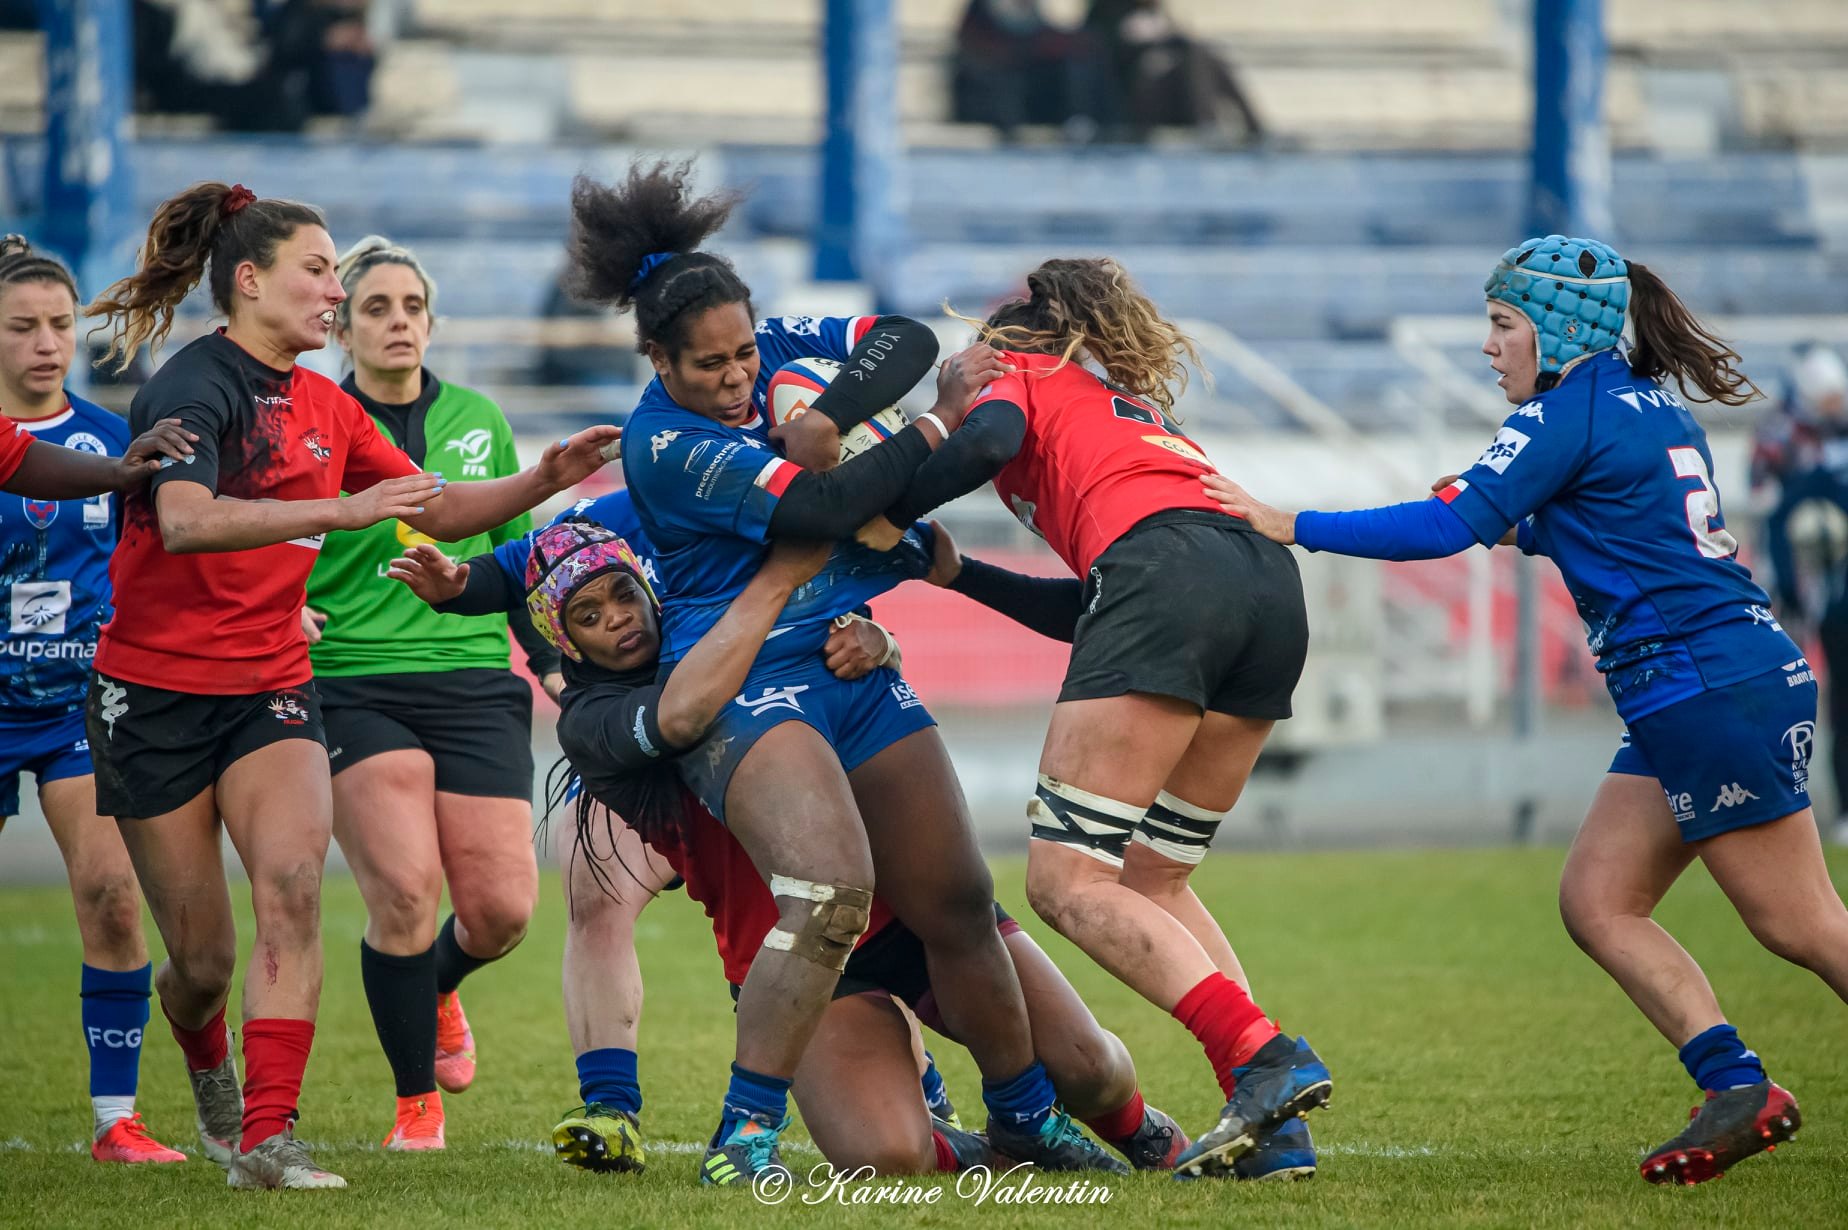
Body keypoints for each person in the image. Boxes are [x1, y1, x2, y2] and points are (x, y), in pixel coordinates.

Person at [1204, 234, 1848, 1186]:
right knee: (1598, 901)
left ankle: (1741, 1087)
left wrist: (1286, 521)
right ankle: (1737, 1087)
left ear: (1553, 331)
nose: (1487, 345)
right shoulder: (1642, 406)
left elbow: (1443, 529)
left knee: (1801, 925)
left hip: (1704, 684)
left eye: (1502, 325)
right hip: (1708, 683)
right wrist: (1509, 515)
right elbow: (1596, 522)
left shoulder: (1563, 414)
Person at [579, 160, 1120, 1182]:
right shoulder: (662, 443)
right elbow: (822, 513)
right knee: (831, 892)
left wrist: (833, 412)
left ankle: (1024, 1117)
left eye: (744, 352)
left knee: (959, 899)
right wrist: (933, 426)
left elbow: (903, 340)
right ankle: (742, 1139)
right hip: (751, 682)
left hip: (852, 658)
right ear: (657, 361)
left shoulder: (776, 349)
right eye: (709, 366)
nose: (738, 377)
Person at [78, 180, 618, 1191]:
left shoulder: (325, 404)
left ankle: (270, 1142)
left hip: (275, 684)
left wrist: (544, 477)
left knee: (291, 890)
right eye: (320, 272)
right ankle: (207, 1067)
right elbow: (187, 520)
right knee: (200, 965)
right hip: (152, 692)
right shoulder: (193, 387)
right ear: (250, 282)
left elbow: (440, 510)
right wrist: (341, 511)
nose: (336, 289)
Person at [857, 256, 1331, 1179]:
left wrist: (882, 502)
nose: (964, 364)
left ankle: (1266, 1060)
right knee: (1151, 874)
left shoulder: (1019, 368)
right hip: (1263, 590)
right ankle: (1277, 1130)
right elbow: (1100, 605)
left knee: (1066, 883)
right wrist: (953, 573)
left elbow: (987, 443)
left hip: (1167, 582)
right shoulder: (1126, 417)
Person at [515, 518, 1171, 1176]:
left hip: (913, 909)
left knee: (1092, 1071)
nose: (619, 619)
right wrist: (783, 593)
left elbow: (833, 676)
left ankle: (1140, 1131)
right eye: (589, 615)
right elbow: (687, 712)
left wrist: (876, 640)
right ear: (562, 639)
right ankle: (978, 1148)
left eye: (625, 593)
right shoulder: (593, 723)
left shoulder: (712, 634)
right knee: (886, 1153)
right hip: (786, 951)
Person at [302, 235, 548, 1151]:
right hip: (353, 683)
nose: (397, 321)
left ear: (431, 324)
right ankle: (416, 1107)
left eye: (411, 307)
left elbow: (515, 550)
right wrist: (288, 607)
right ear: (344, 326)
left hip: (477, 679)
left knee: (502, 912)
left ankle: (437, 985)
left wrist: (549, 659)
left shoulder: (480, 417)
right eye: (376, 307)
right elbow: (268, 536)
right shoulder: (314, 421)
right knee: (404, 894)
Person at [0, 236, 196, 1165]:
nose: (48, 343)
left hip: (83, 700)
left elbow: (160, 560)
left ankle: (115, 1119)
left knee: (115, 894)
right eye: (22, 327)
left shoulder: (114, 442)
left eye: (61, 324)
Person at [1755, 344, 1848, 843]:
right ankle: (1779, 807)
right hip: (1791, 582)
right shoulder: (1781, 435)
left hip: (1831, 584)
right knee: (1787, 690)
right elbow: (1766, 502)